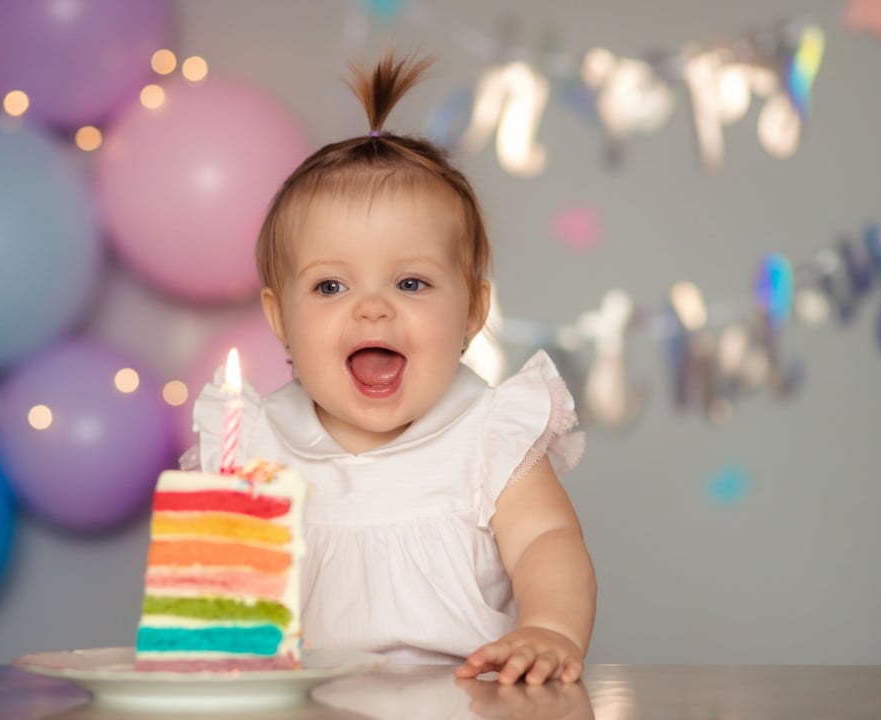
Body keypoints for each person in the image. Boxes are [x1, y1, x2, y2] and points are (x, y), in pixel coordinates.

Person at [191, 51, 596, 685]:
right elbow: (214, 595)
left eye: (411, 282)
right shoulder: (258, 447)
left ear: (472, 311)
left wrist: (549, 629)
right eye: (330, 287)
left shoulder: (488, 434)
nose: (373, 309)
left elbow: (547, 540)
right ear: (279, 318)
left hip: (466, 699)